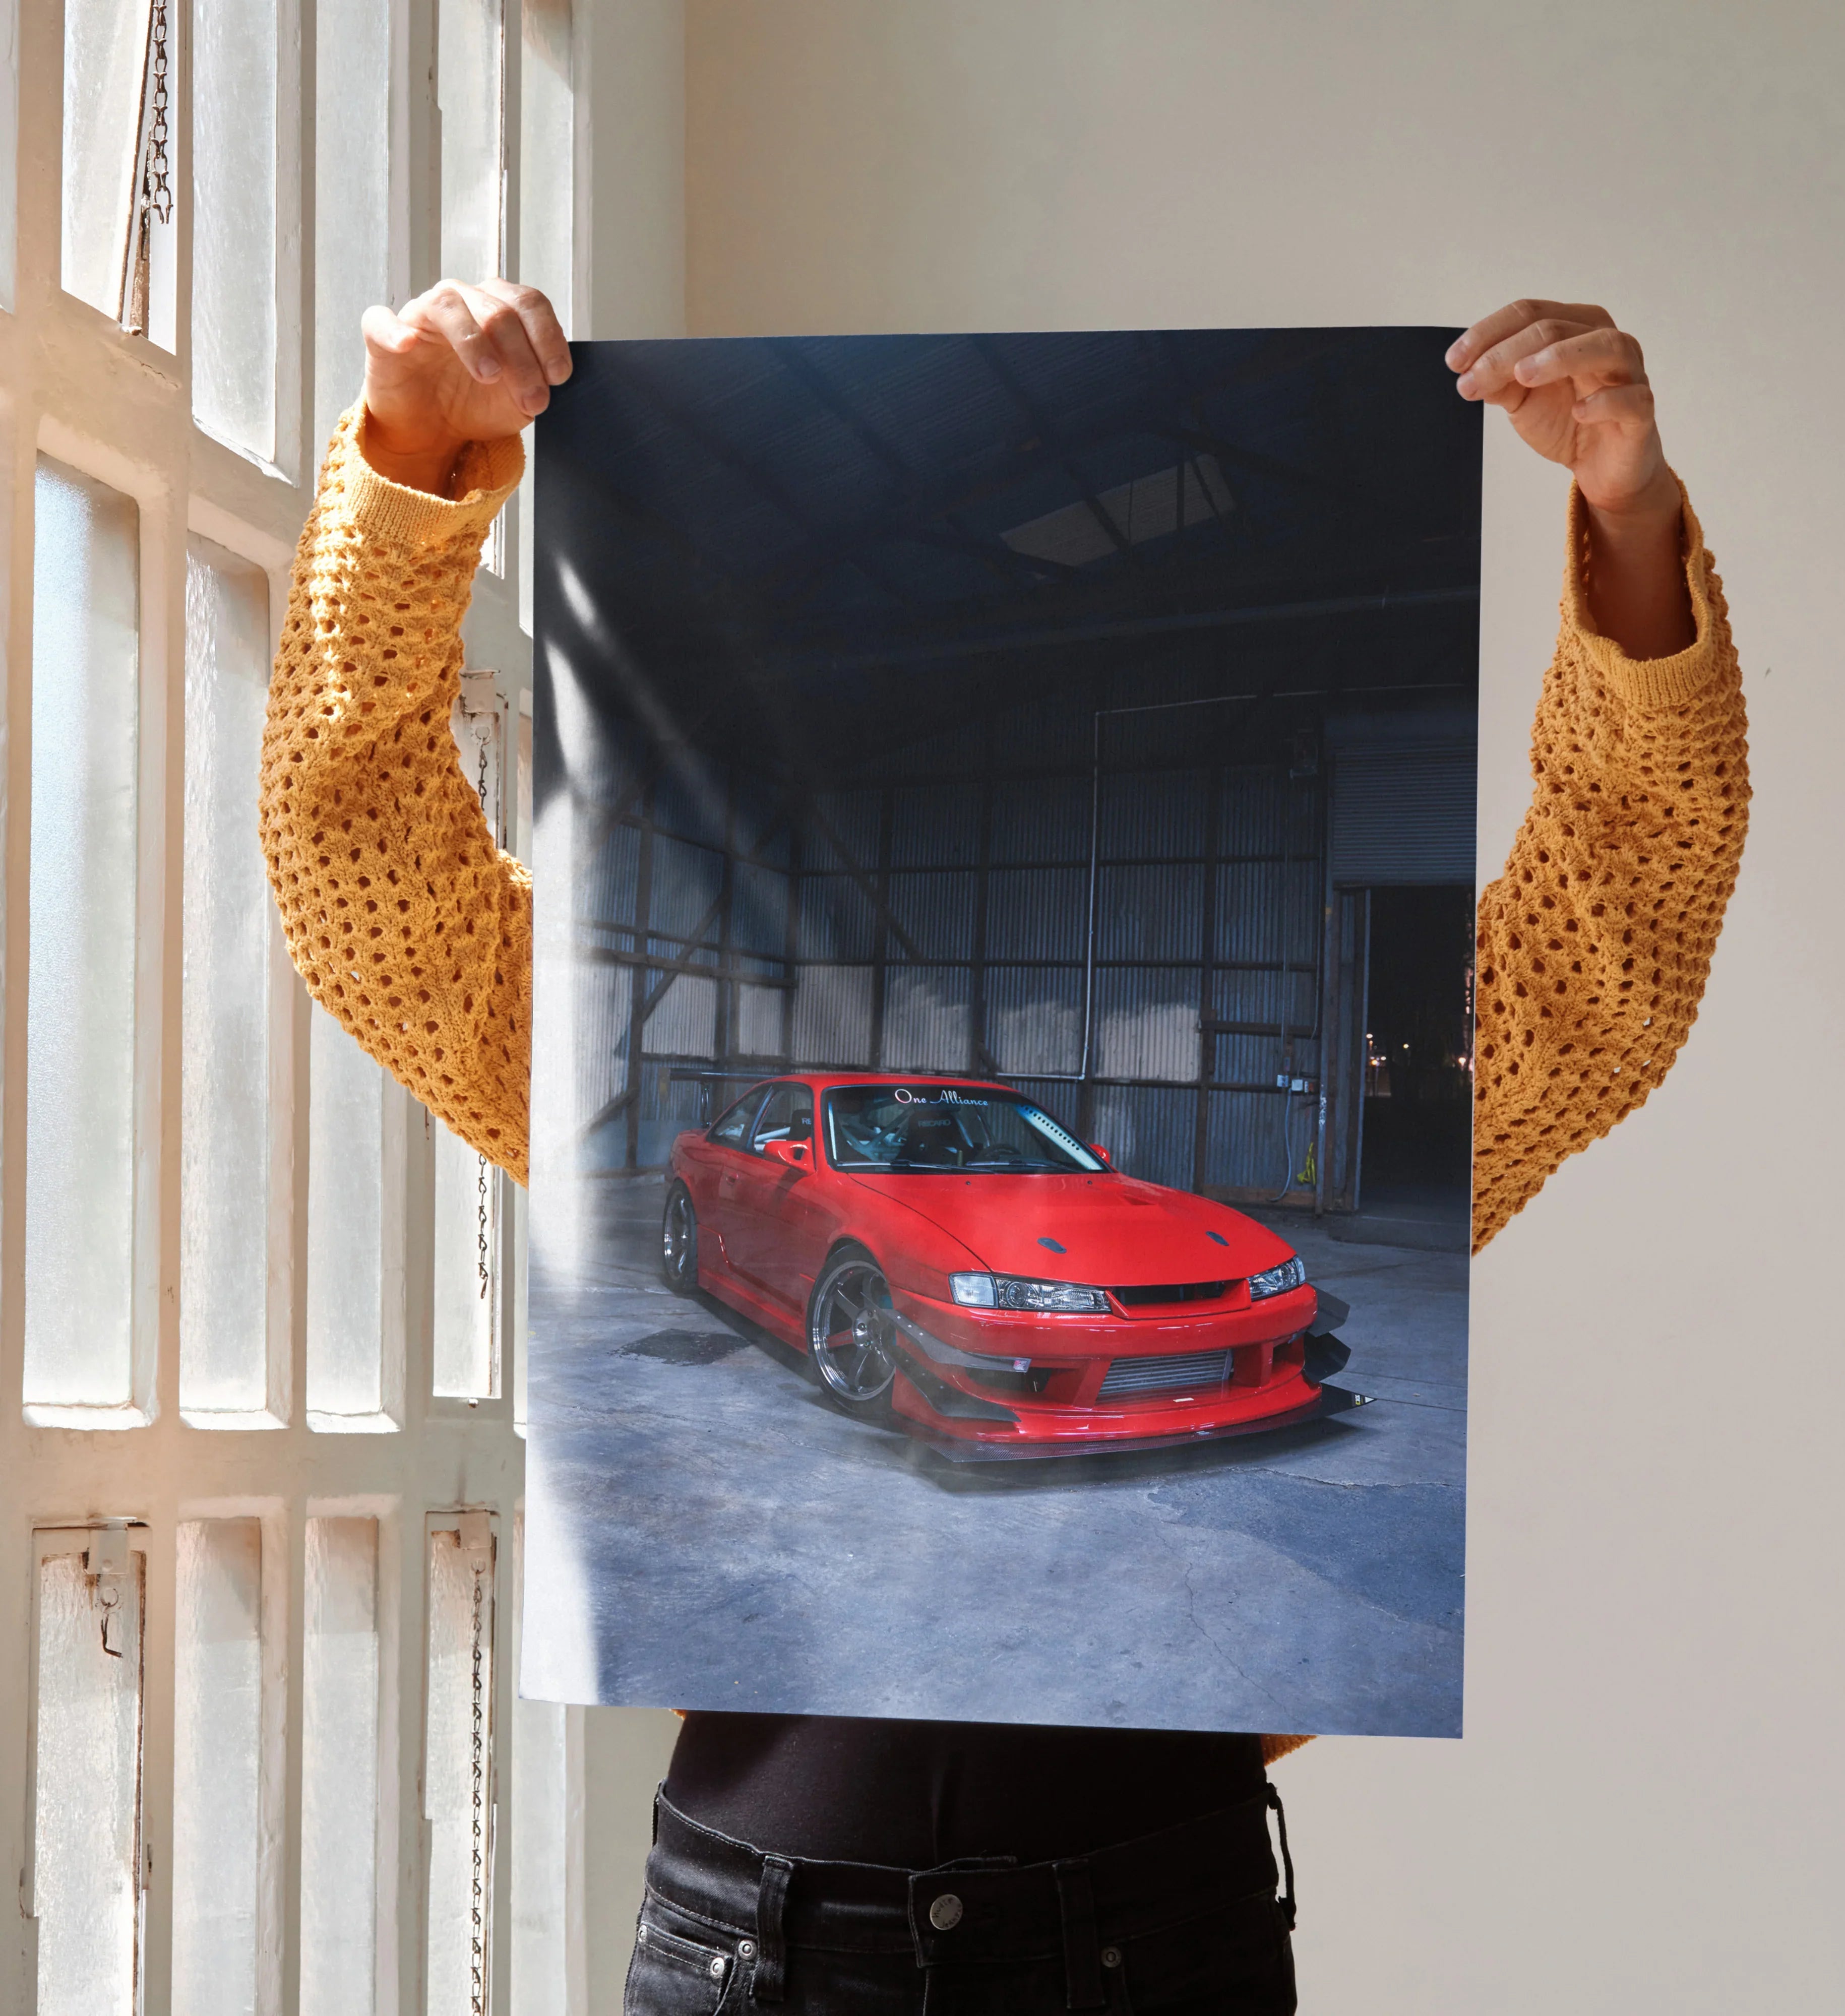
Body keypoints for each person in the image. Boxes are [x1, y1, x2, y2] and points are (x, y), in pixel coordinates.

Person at [260, 283, 1748, 2013]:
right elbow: (361, 878)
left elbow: (1613, 955)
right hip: (764, 1946)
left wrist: (1629, 522)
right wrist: (409, 466)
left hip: (1158, 1926)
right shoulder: (724, 1141)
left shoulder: (1125, 1192)